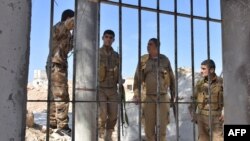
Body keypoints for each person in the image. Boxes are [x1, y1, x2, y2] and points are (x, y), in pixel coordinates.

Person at [133, 38, 175, 141]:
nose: (147, 46)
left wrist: (173, 96)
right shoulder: (143, 59)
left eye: (150, 44)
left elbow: (172, 78)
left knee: (162, 127)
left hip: (163, 96)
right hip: (147, 97)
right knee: (149, 127)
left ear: (157, 46)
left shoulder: (165, 59)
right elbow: (137, 78)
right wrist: (136, 94)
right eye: (147, 44)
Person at [46, 9, 74, 136]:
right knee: (62, 95)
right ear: (68, 18)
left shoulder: (68, 35)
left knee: (54, 95)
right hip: (56, 65)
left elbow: (71, 47)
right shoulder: (59, 27)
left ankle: (52, 123)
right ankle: (63, 126)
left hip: (59, 65)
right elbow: (66, 25)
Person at [188, 59, 224, 141]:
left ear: (212, 70)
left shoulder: (221, 82)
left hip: (216, 118)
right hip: (202, 118)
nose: (201, 71)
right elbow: (193, 99)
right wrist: (193, 113)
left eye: (203, 69)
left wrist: (225, 112)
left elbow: (229, 98)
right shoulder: (199, 83)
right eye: (201, 68)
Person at [98, 29, 120, 141]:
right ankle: (100, 135)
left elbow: (119, 71)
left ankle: (108, 136)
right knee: (102, 114)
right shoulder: (97, 53)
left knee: (113, 115)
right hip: (100, 88)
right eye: (106, 37)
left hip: (112, 89)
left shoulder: (116, 55)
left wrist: (120, 80)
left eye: (110, 37)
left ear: (113, 40)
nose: (108, 39)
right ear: (102, 38)